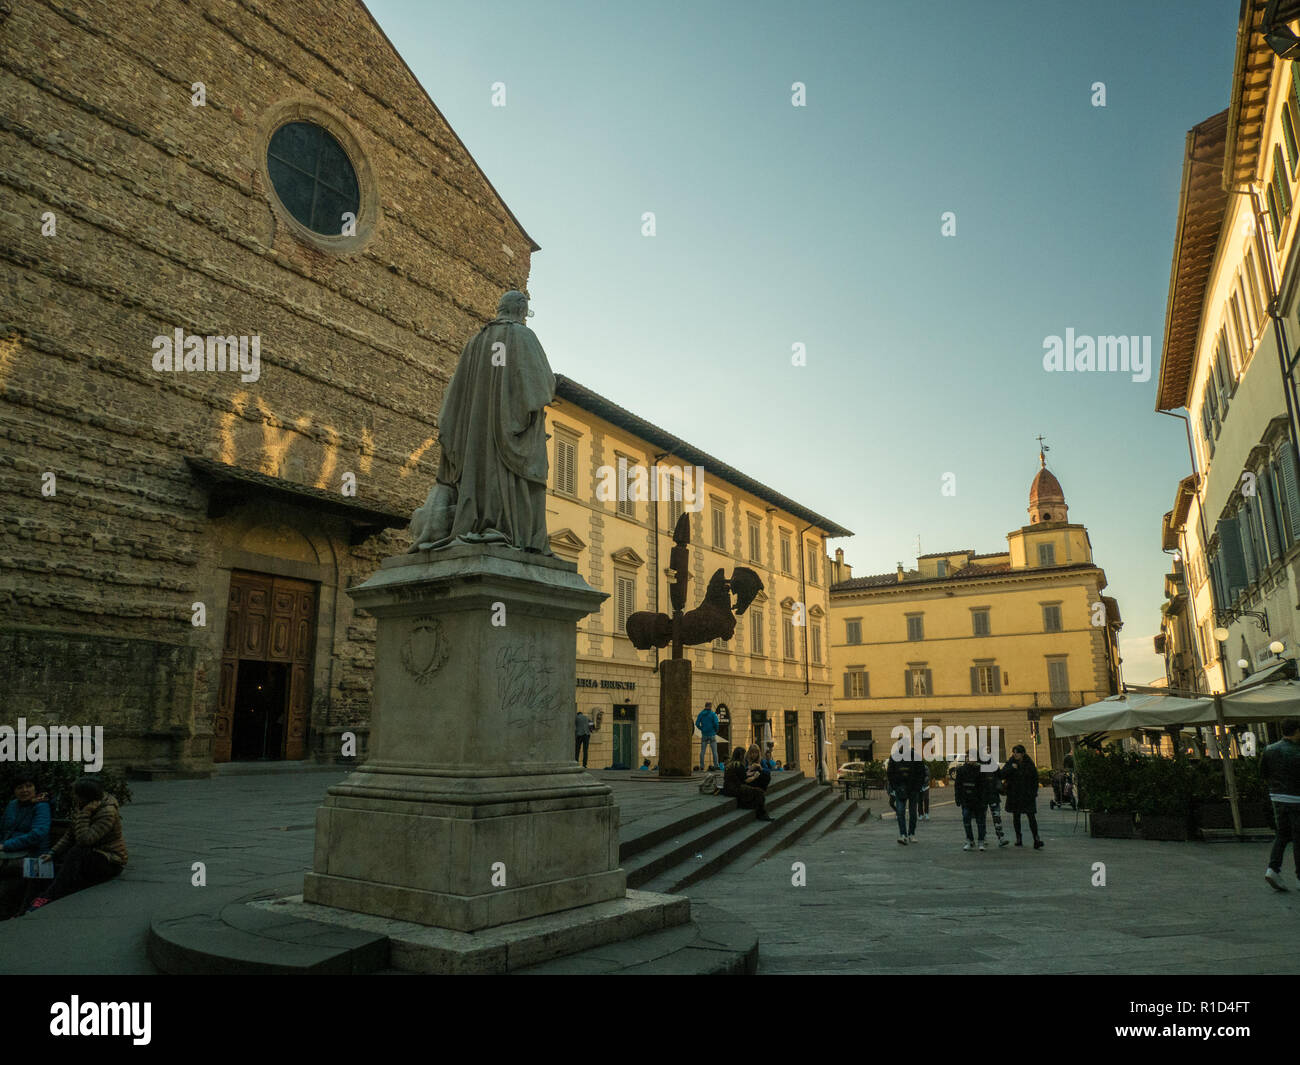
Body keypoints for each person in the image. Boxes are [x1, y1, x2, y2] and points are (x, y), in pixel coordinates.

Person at [24, 778, 127, 913]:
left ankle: (47, 897)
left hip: (109, 860)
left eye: (75, 793)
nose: (73, 796)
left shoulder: (107, 812)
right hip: (88, 857)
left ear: (85, 796)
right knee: (40, 870)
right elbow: (70, 835)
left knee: (76, 851)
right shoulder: (83, 805)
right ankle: (23, 910)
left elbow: (85, 840)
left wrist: (84, 814)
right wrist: (52, 853)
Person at [1, 775, 51, 918]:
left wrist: (6, 845)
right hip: (10, 855)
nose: (24, 790)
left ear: (35, 788)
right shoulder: (12, 805)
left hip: (35, 856)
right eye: (19, 787)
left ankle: (9, 914)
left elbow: (38, 834)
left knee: (11, 876)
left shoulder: (42, 806)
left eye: (29, 786)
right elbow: (3, 828)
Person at [1261, 717, 1300, 891]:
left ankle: (1273, 868)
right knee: (1298, 838)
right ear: (1297, 731)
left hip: (1277, 797)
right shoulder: (1297, 751)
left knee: (1282, 835)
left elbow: (1263, 773)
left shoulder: (1269, 750)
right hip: (1297, 799)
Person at [1003, 744, 1043, 848]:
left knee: (1031, 816)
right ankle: (1019, 838)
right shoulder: (1011, 762)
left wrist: (1034, 793)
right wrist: (1012, 768)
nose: (1015, 754)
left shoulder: (1029, 763)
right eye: (1014, 752)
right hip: (1014, 794)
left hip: (1027, 795)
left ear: (1023, 754)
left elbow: (1034, 779)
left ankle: (1036, 838)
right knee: (1016, 816)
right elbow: (1002, 774)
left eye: (1018, 752)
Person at [722, 746, 772, 821]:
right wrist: (755, 776)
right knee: (759, 792)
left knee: (763, 779)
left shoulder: (731, 764)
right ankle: (762, 815)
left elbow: (740, 776)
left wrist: (750, 772)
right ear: (741, 755)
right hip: (736, 789)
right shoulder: (739, 765)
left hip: (728, 788)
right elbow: (746, 780)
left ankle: (752, 807)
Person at [886, 751, 923, 844]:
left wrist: (917, 787)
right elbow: (890, 773)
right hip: (900, 789)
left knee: (912, 812)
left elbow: (921, 772)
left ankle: (911, 833)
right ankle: (903, 834)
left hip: (912, 789)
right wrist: (895, 786)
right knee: (900, 812)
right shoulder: (895, 757)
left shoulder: (914, 756)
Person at [954, 752, 987, 850]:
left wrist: (984, 799)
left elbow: (985, 786)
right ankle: (969, 840)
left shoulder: (981, 770)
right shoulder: (961, 770)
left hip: (979, 800)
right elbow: (958, 785)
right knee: (966, 820)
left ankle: (981, 841)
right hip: (966, 799)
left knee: (980, 822)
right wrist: (958, 798)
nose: (970, 759)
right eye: (968, 757)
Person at [982, 756, 1010, 847]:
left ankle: (999, 838)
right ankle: (985, 837)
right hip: (984, 795)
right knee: (983, 818)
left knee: (995, 817)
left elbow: (1000, 775)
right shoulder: (980, 765)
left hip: (991, 795)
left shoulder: (992, 764)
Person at [695, 702, 720, 771]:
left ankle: (702, 766)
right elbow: (716, 723)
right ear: (710, 706)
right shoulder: (713, 714)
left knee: (702, 751)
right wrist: (716, 730)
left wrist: (702, 729)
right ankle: (716, 765)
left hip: (704, 735)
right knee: (714, 751)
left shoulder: (701, 714)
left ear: (705, 706)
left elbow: (697, 724)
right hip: (712, 734)